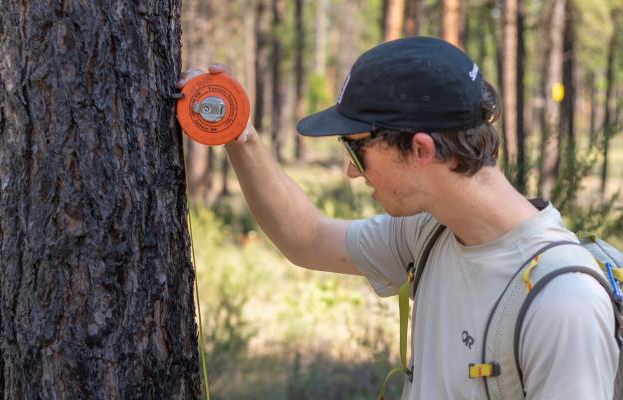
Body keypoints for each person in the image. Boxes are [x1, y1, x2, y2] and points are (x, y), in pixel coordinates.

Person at [177, 36, 618, 399]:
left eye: (357, 148)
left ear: (421, 149)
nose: (351, 170)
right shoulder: (430, 230)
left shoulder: (562, 305)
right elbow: (306, 238)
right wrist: (239, 134)